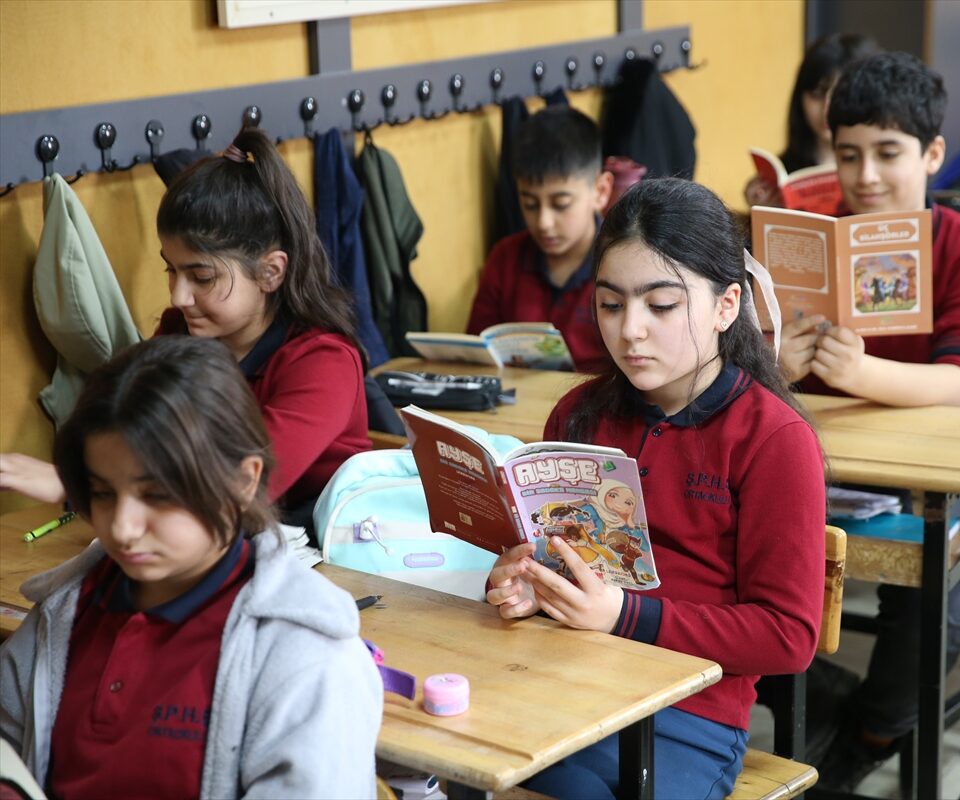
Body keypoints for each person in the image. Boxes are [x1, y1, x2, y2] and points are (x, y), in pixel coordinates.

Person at [486, 178, 827, 799]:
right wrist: (529, 582)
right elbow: (560, 559)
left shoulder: (775, 439)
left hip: (690, 718)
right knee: (468, 763)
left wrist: (623, 615)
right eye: (610, 304)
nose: (630, 331)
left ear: (726, 306)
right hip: (563, 681)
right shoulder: (578, 415)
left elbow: (788, 636)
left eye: (661, 305)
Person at [0, 335, 382, 799]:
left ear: (243, 481)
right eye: (103, 493)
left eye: (158, 494)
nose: (122, 527)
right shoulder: (66, 610)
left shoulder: (309, 661)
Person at [777, 52, 960, 790]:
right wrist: (773, 362)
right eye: (848, 155)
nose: (866, 176)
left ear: (932, 154)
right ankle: (809, 701)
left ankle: (863, 739)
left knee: (937, 608)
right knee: (722, 555)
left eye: (888, 153)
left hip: (932, 474)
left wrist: (860, 374)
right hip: (820, 462)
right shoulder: (807, 241)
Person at [0, 128, 371, 529]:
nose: (179, 297)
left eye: (202, 277)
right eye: (171, 270)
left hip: (322, 545)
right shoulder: (178, 332)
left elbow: (237, 487)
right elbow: (128, 433)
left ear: (270, 272)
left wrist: (75, 485)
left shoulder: (323, 361)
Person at [466, 105, 613, 372]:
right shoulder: (505, 259)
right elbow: (476, 357)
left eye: (561, 204)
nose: (543, 222)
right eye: (530, 204)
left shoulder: (621, 267)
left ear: (601, 191)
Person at [744, 33, 878, 207]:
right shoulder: (782, 178)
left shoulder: (877, 174)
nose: (827, 108)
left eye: (839, 96)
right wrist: (761, 212)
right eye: (817, 95)